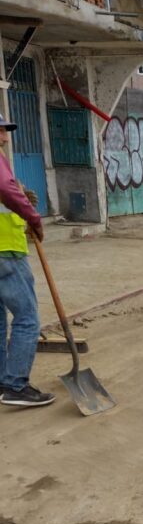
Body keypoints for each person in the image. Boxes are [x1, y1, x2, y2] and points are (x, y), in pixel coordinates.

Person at [0, 113, 54, 408]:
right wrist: (32, 217)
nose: (6, 138)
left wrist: (19, 193)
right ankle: (16, 386)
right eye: (1, 132)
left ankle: (1, 380)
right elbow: (6, 190)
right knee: (27, 318)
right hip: (5, 250)